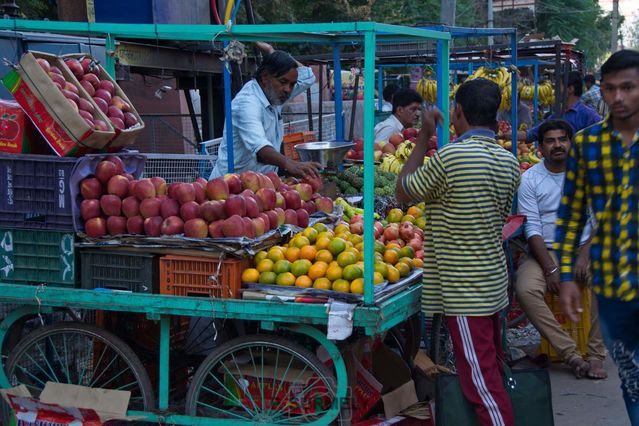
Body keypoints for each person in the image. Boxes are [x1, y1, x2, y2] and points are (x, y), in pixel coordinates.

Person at [396, 78, 520, 426]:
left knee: (481, 384)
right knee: (489, 368)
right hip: (492, 284)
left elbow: (404, 190)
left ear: (459, 112)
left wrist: (424, 136)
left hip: (467, 292)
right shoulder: (508, 161)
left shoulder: (451, 157)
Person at [555, 49, 639, 425]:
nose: (618, 97)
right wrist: (569, 275)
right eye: (610, 89)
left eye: (628, 88)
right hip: (613, 284)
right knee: (632, 381)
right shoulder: (587, 145)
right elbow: (571, 212)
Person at [516, 118, 607, 379]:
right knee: (525, 288)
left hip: (583, 248)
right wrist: (550, 267)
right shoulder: (530, 179)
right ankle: (571, 355)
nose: (557, 145)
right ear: (540, 148)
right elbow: (531, 227)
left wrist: (583, 256)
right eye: (550, 140)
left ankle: (596, 354)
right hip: (545, 251)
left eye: (562, 139)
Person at [210, 42, 321, 179]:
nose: (288, 89)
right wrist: (289, 164)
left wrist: (272, 51)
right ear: (265, 77)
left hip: (259, 186)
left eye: (292, 84)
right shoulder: (247, 103)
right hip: (229, 187)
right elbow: (261, 148)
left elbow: (308, 77)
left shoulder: (275, 94)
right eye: (283, 82)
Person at [507, 71, 601, 143]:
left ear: (570, 89)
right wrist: (505, 135)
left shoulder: (589, 115)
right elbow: (532, 134)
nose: (555, 91)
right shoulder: (557, 116)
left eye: (558, 87)